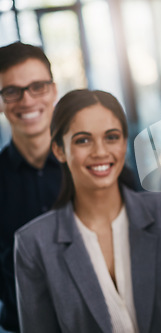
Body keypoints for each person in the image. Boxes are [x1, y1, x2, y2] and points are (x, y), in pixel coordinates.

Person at [14, 89, 161, 333]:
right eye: (83, 140)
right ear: (59, 150)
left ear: (124, 142)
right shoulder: (33, 244)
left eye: (111, 137)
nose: (100, 151)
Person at [0, 42, 60, 332]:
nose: (26, 100)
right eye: (11, 91)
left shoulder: (92, 165)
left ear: (54, 90)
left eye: (37, 86)